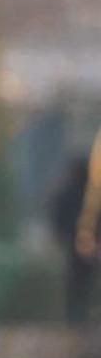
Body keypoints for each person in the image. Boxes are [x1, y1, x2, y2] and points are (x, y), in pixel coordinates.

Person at [47, 129, 101, 328]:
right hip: (78, 246)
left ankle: (78, 320)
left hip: (80, 246)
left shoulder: (73, 191)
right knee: (80, 286)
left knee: (79, 286)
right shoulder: (74, 193)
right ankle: (77, 321)